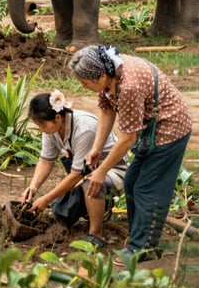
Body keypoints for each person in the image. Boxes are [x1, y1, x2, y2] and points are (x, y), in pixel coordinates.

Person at [68, 44, 192, 264]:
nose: (83, 86)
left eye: (85, 83)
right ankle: (138, 236)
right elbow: (106, 110)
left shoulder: (129, 87)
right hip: (150, 131)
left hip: (170, 130)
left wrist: (102, 171)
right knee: (131, 181)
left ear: (101, 76)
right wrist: (96, 148)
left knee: (147, 189)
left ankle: (143, 248)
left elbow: (127, 138)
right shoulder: (109, 71)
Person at [20, 90, 128, 246]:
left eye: (42, 124)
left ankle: (96, 234)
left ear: (58, 117)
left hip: (113, 169)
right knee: (61, 211)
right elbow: (46, 160)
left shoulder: (84, 128)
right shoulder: (52, 129)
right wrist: (33, 187)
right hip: (88, 168)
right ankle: (93, 208)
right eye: (38, 125)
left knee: (90, 184)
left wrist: (46, 199)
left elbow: (77, 174)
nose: (41, 129)